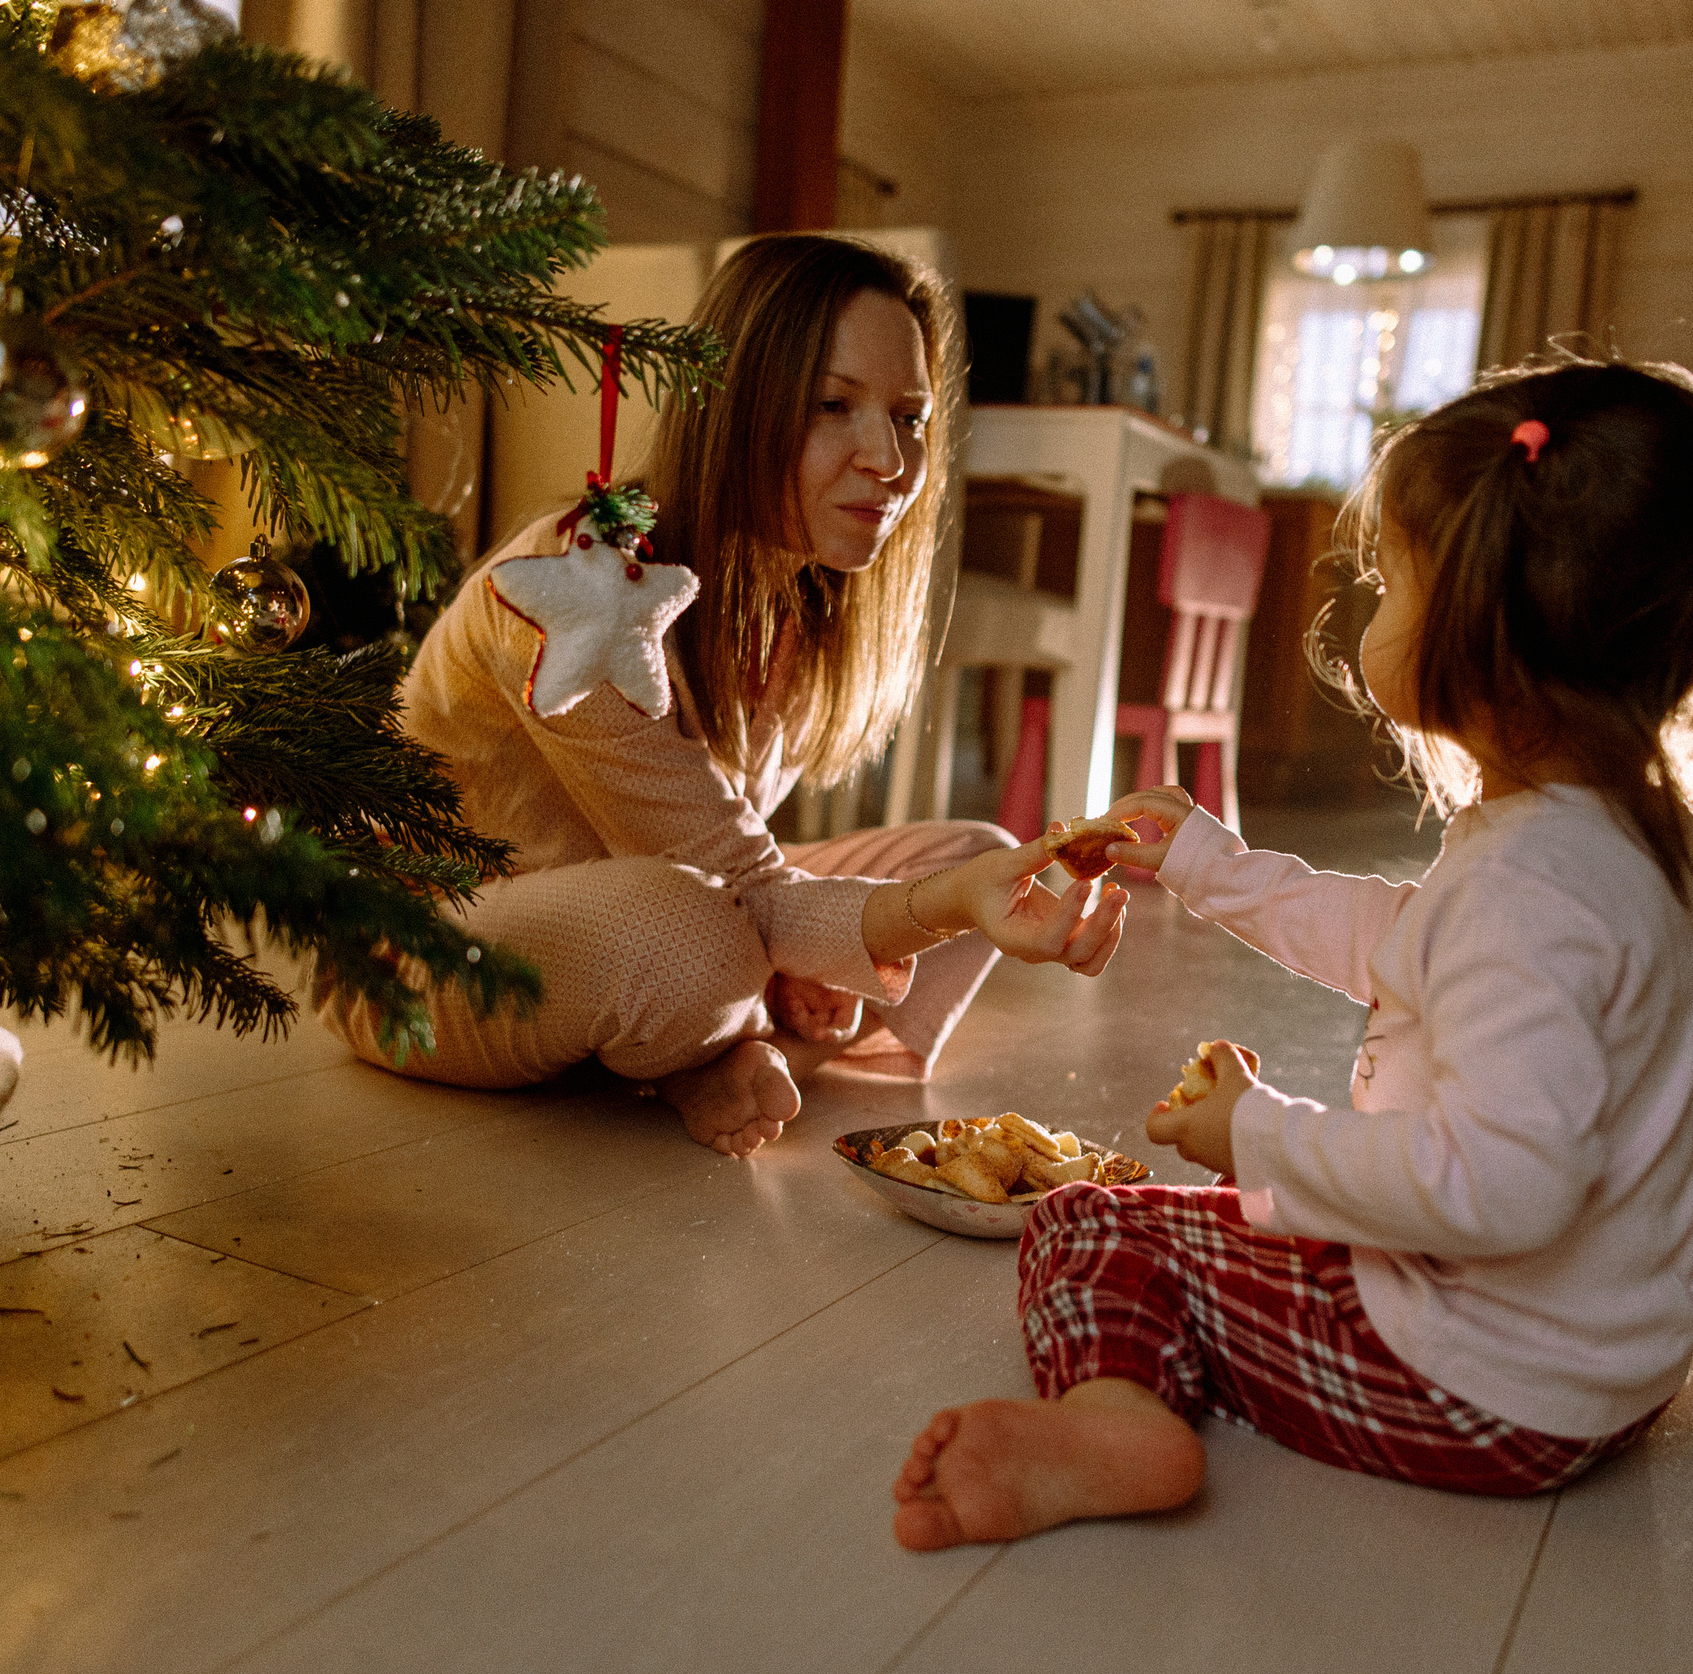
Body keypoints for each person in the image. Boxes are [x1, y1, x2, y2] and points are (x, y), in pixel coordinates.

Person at [890, 358, 1693, 1549]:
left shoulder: (1528, 887)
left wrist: (1263, 1132)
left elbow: (1498, 1187)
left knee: (1093, 1227)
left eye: (1391, 583)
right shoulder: (1604, 833)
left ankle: (1110, 1420)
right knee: (1201, 1220)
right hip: (1599, 1356)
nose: (1368, 613)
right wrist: (1214, 867)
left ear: (1482, 633)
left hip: (1483, 1384)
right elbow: (1418, 954)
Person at [318, 235, 1128, 1155]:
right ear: (736, 405)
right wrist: (889, 919)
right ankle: (712, 1047)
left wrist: (917, 905)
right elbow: (739, 888)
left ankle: (719, 1050)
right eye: (833, 406)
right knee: (693, 934)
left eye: (910, 416)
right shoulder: (580, 593)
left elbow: (740, 865)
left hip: (664, 909)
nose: (892, 460)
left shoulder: (792, 600)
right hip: (422, 951)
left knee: (977, 853)